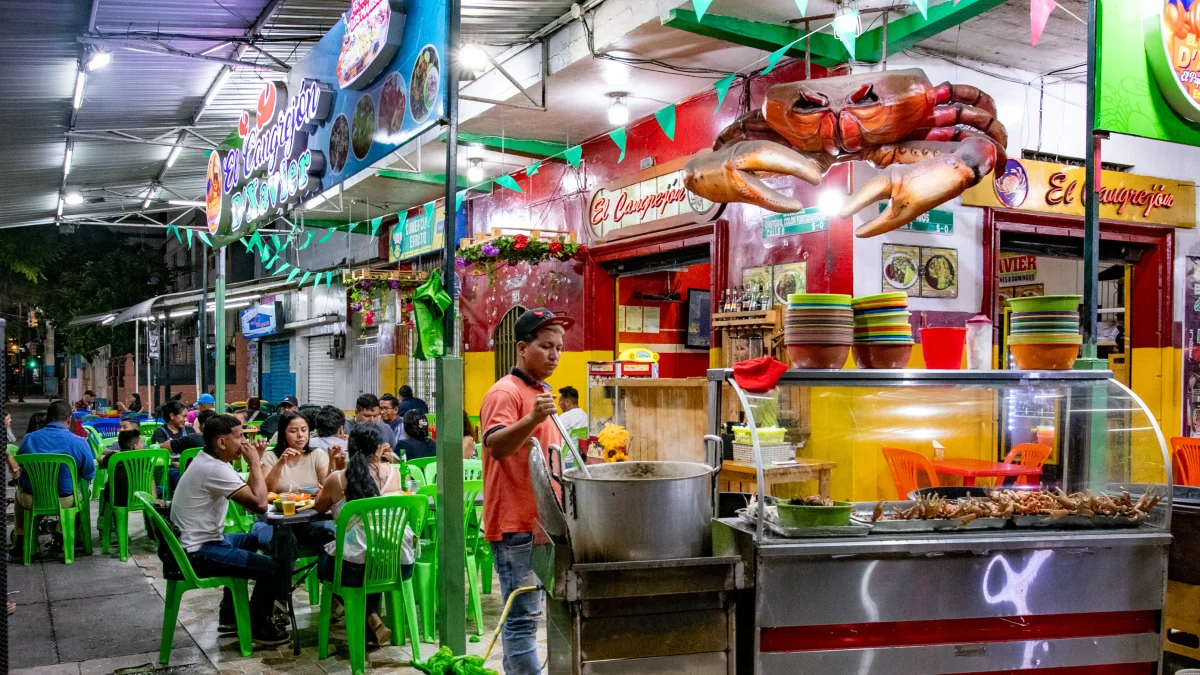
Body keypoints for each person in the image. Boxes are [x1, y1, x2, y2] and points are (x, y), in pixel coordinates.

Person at [480, 307, 573, 675]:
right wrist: (533, 417)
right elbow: (496, 446)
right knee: (521, 619)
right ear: (522, 347)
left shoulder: (540, 391)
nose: (554, 355)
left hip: (542, 524)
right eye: (546, 346)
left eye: (559, 348)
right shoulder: (506, 392)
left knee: (534, 615)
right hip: (516, 525)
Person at [169, 414, 288, 646]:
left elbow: (252, 495)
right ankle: (258, 625)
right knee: (273, 568)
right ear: (221, 442)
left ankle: (230, 615)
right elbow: (260, 504)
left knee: (250, 540)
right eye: (240, 437)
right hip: (197, 551)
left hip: (199, 541)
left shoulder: (210, 461)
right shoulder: (214, 469)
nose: (245, 442)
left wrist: (256, 462)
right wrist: (255, 464)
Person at [313, 425, 409, 647]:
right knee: (369, 554)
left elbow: (319, 507)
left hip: (354, 571)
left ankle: (348, 606)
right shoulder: (394, 473)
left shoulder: (338, 479)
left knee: (328, 560)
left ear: (350, 446)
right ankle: (370, 616)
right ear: (379, 448)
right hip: (397, 563)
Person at [13, 400, 97, 556]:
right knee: (80, 496)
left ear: (48, 418)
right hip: (64, 500)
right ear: (69, 419)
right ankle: (60, 534)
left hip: (32, 499)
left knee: (19, 494)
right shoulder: (78, 442)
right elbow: (88, 473)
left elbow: (20, 466)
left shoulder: (29, 439)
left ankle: (21, 538)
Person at [259, 412, 337, 493]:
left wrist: (332, 460)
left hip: (311, 501)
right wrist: (280, 463)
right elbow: (266, 491)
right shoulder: (270, 457)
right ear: (283, 434)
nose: (300, 435)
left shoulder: (317, 454)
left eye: (304, 430)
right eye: (293, 431)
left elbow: (329, 487)